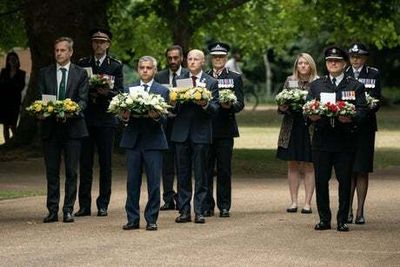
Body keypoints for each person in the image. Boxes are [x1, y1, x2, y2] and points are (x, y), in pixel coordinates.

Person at [307, 46, 367, 232]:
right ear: (326, 63)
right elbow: (306, 108)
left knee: (345, 181)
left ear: (344, 63)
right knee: (321, 180)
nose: (333, 63)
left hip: (345, 141)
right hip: (322, 140)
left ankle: (342, 219)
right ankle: (325, 219)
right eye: (330, 60)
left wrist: (352, 117)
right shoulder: (317, 85)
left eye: (337, 61)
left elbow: (363, 111)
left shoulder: (355, 85)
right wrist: (310, 116)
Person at [39, 37, 89, 223]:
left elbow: (84, 100)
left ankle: (68, 209)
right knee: (51, 172)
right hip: (50, 129)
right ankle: (52, 210)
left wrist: (73, 110)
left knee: (71, 171)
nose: (59, 53)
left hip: (73, 129)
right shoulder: (45, 73)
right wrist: (41, 111)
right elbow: (41, 98)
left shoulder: (80, 73)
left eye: (62, 50)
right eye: (56, 50)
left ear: (70, 52)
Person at [75, 28, 123, 217]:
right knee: (85, 163)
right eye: (95, 41)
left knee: (105, 163)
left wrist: (107, 93)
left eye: (102, 42)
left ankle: (103, 203)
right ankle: (84, 205)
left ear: (108, 44)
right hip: (87, 119)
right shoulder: (83, 63)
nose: (98, 45)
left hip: (105, 119)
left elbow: (119, 92)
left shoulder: (115, 65)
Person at [120, 56, 169, 231]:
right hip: (133, 141)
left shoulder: (162, 90)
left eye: (149, 68)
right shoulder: (128, 88)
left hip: (153, 141)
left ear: (154, 70)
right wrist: (124, 117)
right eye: (142, 67)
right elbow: (122, 115)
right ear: (138, 69)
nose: (145, 70)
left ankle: (151, 219)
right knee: (132, 182)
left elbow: (165, 119)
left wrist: (156, 117)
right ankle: (132, 218)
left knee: (154, 183)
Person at [172, 49, 219, 224]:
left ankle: (199, 210)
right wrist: (174, 102)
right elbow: (174, 109)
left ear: (203, 62)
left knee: (201, 174)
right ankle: (184, 211)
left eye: (195, 59)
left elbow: (215, 109)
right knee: (182, 173)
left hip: (201, 133)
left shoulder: (211, 82)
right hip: (181, 133)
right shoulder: (179, 79)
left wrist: (205, 103)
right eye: (189, 59)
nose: (192, 62)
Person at [204, 42, 244, 218]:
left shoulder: (235, 77)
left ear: (225, 58)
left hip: (225, 129)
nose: (218, 59)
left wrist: (230, 105)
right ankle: (207, 205)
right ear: (211, 59)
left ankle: (224, 205)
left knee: (224, 169)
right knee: (205, 169)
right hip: (206, 128)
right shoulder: (204, 77)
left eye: (221, 56)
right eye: (215, 57)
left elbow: (240, 103)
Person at [276, 53, 318, 214]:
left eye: (305, 63)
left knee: (309, 165)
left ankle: (307, 203)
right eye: (300, 63)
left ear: (311, 65)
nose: (302, 66)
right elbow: (281, 103)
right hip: (291, 126)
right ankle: (293, 201)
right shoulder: (290, 80)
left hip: (311, 128)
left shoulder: (318, 82)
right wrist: (283, 106)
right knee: (292, 163)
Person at [346, 43, 381, 224]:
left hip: (366, 127)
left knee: (362, 169)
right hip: (347, 127)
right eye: (353, 56)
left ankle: (360, 210)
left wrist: (362, 112)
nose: (356, 59)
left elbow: (376, 101)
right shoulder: (344, 74)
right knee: (348, 169)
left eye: (359, 56)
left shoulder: (373, 74)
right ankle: (348, 210)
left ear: (365, 57)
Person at [154, 45, 189, 211]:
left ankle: (182, 198)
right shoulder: (159, 76)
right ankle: (168, 198)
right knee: (166, 164)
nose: (173, 61)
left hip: (182, 124)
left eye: (176, 58)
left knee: (182, 163)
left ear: (181, 58)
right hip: (164, 125)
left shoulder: (188, 75)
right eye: (170, 58)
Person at [0, 52, 26, 142]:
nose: (12, 61)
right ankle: (7, 143)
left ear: (17, 60)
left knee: (13, 125)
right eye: (10, 59)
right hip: (4, 101)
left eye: (14, 59)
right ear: (8, 61)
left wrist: (8, 85)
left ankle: (15, 142)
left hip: (14, 102)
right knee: (5, 125)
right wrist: (11, 85)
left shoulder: (22, 73)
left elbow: (20, 87)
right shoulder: (4, 72)